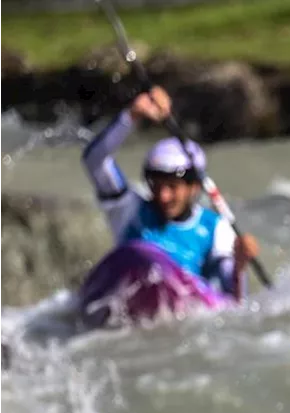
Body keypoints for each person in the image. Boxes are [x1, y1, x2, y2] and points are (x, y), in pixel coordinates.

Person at [81, 86, 259, 305]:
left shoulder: (216, 228)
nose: (163, 196)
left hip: (181, 312)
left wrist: (240, 266)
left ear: (194, 187)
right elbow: (95, 161)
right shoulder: (128, 209)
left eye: (173, 187)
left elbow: (235, 301)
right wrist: (132, 116)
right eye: (156, 186)